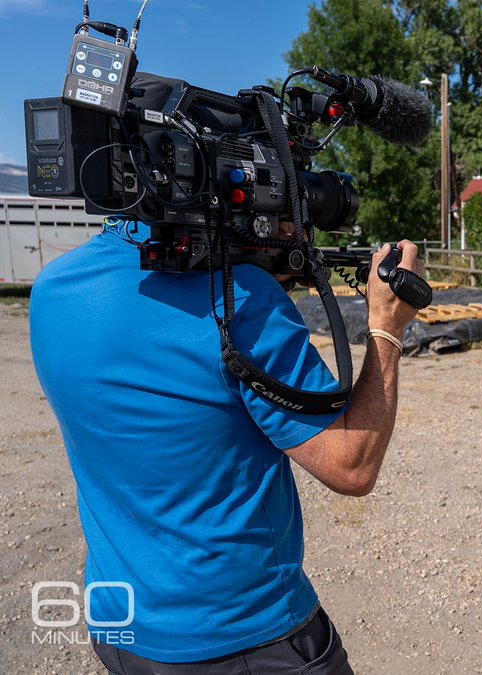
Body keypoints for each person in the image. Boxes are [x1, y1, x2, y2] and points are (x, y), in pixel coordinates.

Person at [29, 217, 422, 673]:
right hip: (244, 640)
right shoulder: (241, 300)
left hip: (121, 629)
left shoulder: (53, 287)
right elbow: (351, 464)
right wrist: (387, 327)